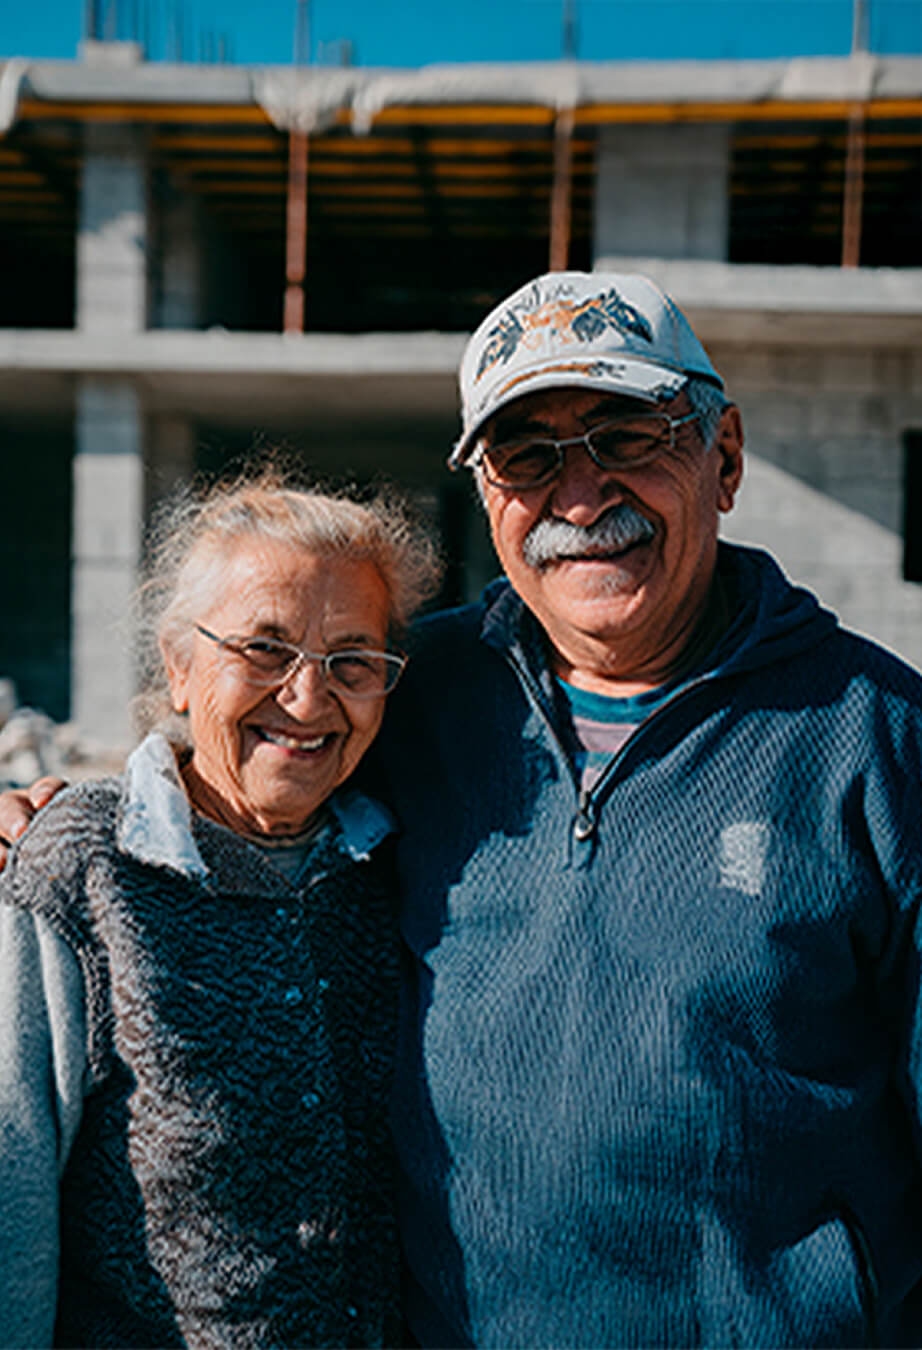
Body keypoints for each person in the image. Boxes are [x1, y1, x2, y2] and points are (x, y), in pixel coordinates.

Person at [3, 270, 922, 1349]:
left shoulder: (878, 738)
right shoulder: (420, 693)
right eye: (527, 457)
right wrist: (83, 817)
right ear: (488, 494)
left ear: (721, 457)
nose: (579, 496)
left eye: (627, 437)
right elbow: (260, 760)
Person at [0, 473, 440, 1347]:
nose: (309, 700)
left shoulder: (400, 864)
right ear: (179, 665)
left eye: (351, 661)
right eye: (264, 651)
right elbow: (10, 1189)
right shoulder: (83, 864)